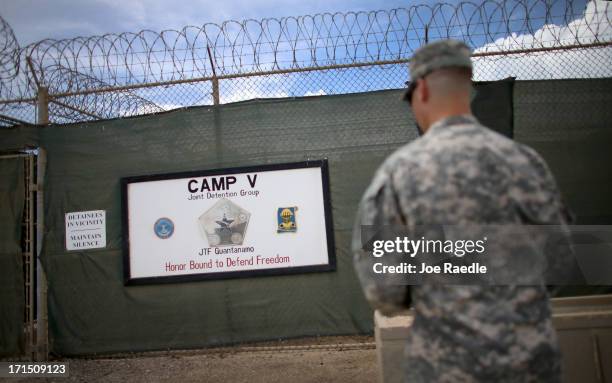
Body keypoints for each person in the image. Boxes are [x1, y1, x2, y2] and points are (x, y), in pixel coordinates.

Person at [352, 40, 571, 382]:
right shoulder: (527, 163)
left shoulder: (397, 173)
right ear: (467, 85)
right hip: (532, 366)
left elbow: (384, 290)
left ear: (420, 89)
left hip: (445, 368)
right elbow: (559, 266)